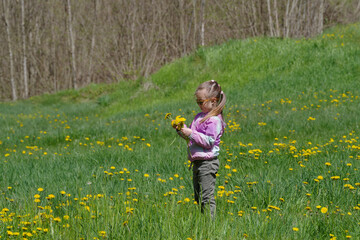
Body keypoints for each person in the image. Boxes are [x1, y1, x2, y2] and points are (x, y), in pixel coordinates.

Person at [175, 80, 226, 218]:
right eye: (197, 102)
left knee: (207, 197)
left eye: (201, 102)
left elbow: (209, 141)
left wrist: (190, 133)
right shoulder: (199, 117)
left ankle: (209, 225)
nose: (198, 105)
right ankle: (201, 222)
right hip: (197, 162)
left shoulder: (214, 120)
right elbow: (192, 138)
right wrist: (182, 130)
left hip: (208, 163)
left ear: (213, 101)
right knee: (198, 197)